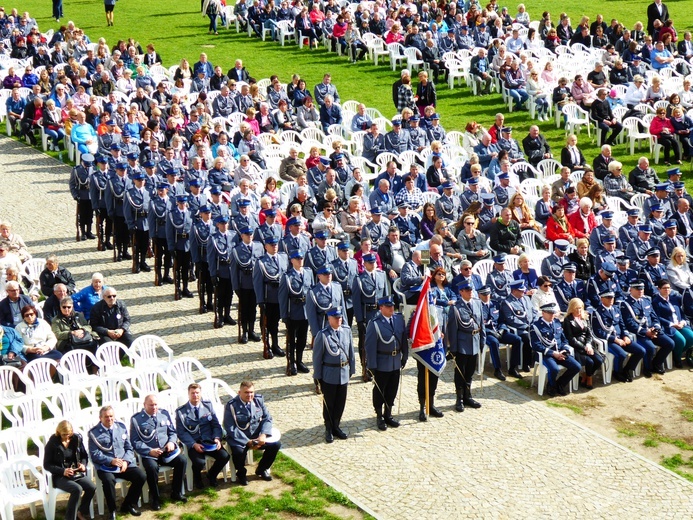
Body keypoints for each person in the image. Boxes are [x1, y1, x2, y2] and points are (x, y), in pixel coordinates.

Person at [130, 394, 188, 510]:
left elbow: (172, 432)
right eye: (151, 405)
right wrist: (149, 451)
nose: (154, 407)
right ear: (144, 405)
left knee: (182, 460)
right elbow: (135, 441)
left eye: (156, 404)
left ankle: (176, 492)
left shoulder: (164, 414)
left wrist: (171, 442)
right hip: (150, 454)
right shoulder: (137, 419)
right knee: (151, 468)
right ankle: (155, 498)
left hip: (166, 451)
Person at [89, 406, 146, 518]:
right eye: (106, 417)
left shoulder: (121, 427)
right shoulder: (94, 433)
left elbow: (129, 448)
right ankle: (112, 510)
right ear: (100, 418)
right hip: (105, 466)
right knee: (109, 481)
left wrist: (126, 461)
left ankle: (128, 504)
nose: (109, 419)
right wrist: (111, 461)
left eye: (111, 416)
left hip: (123, 464)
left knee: (141, 476)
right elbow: (95, 454)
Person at [223, 380, 281, 485]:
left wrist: (263, 435)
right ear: (239, 392)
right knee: (238, 452)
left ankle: (262, 469)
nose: (249, 395)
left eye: (251, 392)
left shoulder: (258, 400)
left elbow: (267, 418)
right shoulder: (231, 406)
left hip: (257, 435)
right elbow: (230, 428)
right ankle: (241, 473)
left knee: (275, 445)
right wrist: (247, 441)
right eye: (246, 392)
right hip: (240, 437)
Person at [175, 383, 230, 489]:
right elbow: (181, 432)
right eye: (192, 393)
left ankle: (211, 475)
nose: (195, 395)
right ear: (188, 394)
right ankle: (197, 478)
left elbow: (216, 425)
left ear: (200, 393)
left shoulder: (207, 406)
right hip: (194, 442)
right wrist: (193, 444)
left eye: (197, 393)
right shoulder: (181, 412)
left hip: (209, 441)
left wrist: (217, 438)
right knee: (199, 463)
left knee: (224, 456)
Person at [313, 307, 355, 443]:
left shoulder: (346, 331)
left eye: (340, 317)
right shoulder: (323, 335)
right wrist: (318, 377)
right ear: (329, 319)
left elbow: (350, 352)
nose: (339, 320)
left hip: (343, 373)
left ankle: (336, 425)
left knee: (340, 402)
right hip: (329, 374)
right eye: (336, 318)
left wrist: (352, 369)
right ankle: (328, 428)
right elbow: (317, 358)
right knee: (329, 403)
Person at [365, 295, 408, 430]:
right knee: (380, 390)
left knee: (392, 389)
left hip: (395, 361)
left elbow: (403, 339)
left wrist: (405, 356)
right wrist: (371, 366)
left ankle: (388, 414)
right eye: (388, 306)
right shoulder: (375, 323)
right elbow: (369, 346)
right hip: (382, 362)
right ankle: (379, 416)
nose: (391, 308)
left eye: (392, 306)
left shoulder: (399, 319)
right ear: (381, 307)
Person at [43, 420, 95, 520]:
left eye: (69, 434)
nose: (67, 437)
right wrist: (62, 471)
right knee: (77, 489)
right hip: (59, 475)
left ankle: (81, 512)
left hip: (75, 472)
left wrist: (83, 465)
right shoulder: (52, 444)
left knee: (91, 487)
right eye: (64, 435)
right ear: (58, 432)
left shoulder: (76, 439)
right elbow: (47, 465)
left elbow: (84, 455)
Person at [621, 281, 674, 377]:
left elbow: (654, 317)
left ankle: (656, 364)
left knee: (670, 343)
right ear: (631, 290)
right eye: (637, 289)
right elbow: (629, 323)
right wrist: (646, 332)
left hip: (652, 329)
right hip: (640, 333)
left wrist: (656, 328)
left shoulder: (646, 300)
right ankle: (647, 368)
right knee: (650, 348)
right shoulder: (625, 304)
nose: (640, 291)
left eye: (642, 289)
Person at [447, 280, 485, 412]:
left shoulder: (478, 303)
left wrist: (482, 342)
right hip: (462, 343)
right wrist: (454, 349)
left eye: (471, 290)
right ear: (461, 292)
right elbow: (452, 330)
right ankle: (459, 398)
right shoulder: (456, 307)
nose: (470, 292)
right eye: (467, 290)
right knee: (460, 373)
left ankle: (467, 396)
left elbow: (481, 325)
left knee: (469, 372)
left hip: (474, 341)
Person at [530, 302, 582, 396]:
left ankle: (560, 384)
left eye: (553, 313)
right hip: (545, 355)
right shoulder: (536, 326)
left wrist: (564, 350)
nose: (552, 315)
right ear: (543, 313)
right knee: (554, 369)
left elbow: (564, 340)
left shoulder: (557, 323)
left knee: (576, 366)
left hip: (560, 352)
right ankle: (551, 385)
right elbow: (536, 345)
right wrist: (553, 353)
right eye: (549, 313)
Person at [278, 250, 313, 376]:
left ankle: (299, 361)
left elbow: (311, 293)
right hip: (293, 311)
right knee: (291, 340)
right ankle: (291, 362)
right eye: (297, 258)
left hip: (305, 311)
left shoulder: (308, 272)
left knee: (302, 339)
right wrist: (284, 315)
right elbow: (282, 297)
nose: (300, 260)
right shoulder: (287, 276)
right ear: (292, 260)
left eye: (301, 258)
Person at [563, 298, 604, 390]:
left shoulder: (585, 317)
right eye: (576, 308)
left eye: (580, 308)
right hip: (577, 347)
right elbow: (570, 338)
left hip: (587, 344)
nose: (579, 310)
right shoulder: (568, 320)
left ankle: (586, 375)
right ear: (572, 308)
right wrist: (584, 347)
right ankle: (589, 379)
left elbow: (590, 334)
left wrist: (589, 345)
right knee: (589, 362)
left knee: (599, 360)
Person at [652, 279, 693, 368]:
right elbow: (657, 317)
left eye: (668, 288)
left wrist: (682, 322)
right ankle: (677, 359)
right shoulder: (656, 301)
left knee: (691, 337)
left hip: (680, 324)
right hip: (669, 326)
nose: (667, 290)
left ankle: (676, 352)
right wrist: (672, 324)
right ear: (659, 289)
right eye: (664, 288)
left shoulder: (674, 299)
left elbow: (681, 312)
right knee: (681, 340)